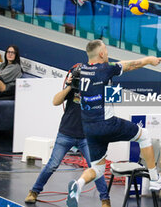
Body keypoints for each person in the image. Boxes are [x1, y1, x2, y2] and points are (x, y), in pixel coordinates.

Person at [66, 40, 161, 207]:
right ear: (101, 54)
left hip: (89, 128)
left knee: (98, 169)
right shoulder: (105, 69)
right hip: (106, 123)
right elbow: (130, 65)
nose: (108, 53)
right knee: (144, 136)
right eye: (106, 50)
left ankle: (78, 186)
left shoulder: (83, 69)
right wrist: (150, 60)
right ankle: (155, 179)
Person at [24, 71, 111, 207]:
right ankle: (34, 191)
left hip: (87, 137)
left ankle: (105, 200)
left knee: (96, 168)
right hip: (66, 133)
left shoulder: (96, 91)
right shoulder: (72, 89)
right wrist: (70, 86)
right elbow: (55, 101)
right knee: (52, 164)